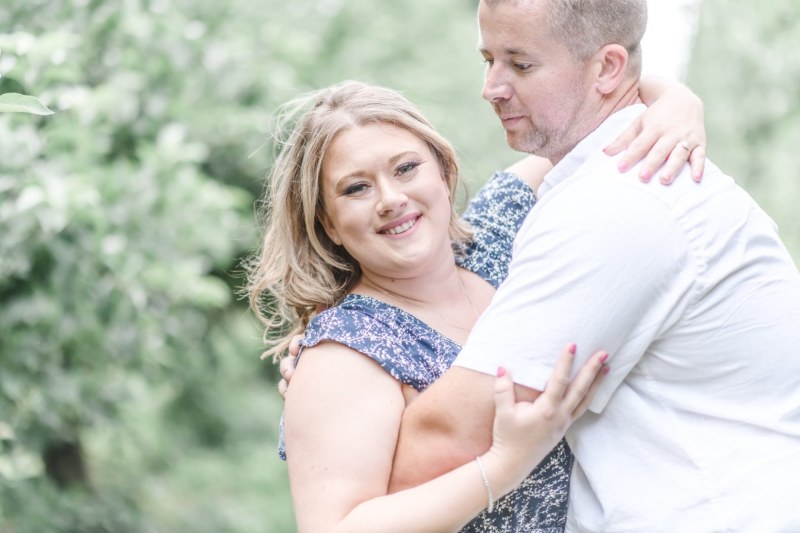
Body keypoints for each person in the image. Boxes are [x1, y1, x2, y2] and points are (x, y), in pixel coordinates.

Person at [387, 1, 800, 532]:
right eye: (488, 59)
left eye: (520, 64)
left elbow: (443, 443)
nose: (491, 87)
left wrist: (341, 394)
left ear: (607, 68)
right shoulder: (598, 183)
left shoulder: (618, 204)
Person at [252, 77, 706, 531]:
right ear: (327, 223)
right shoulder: (345, 350)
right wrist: (503, 465)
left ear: (443, 170)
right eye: (356, 189)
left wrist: (679, 101)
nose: (391, 199)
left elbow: (600, 111)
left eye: (406, 168)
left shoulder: (498, 235)